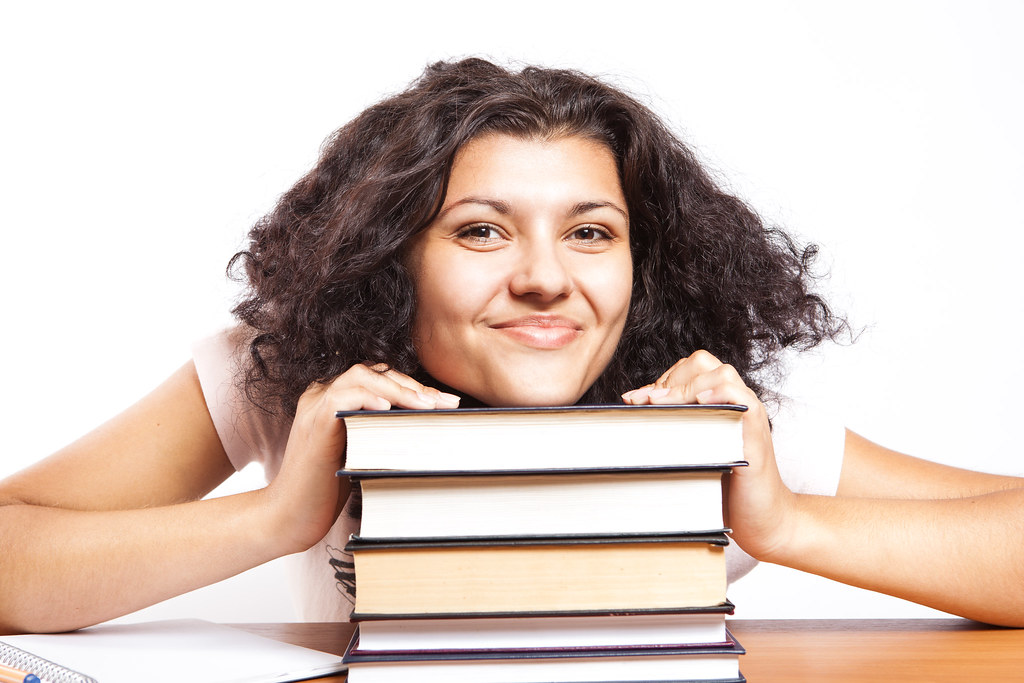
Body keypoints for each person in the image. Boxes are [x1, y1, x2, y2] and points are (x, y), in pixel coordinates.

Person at [1, 58, 1021, 634]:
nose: (544, 277)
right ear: (395, 257)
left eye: (590, 231)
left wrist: (788, 521)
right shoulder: (283, 381)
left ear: (643, 266)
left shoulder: (701, 418)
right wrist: (275, 515)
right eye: (481, 229)